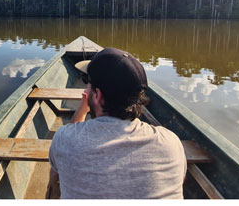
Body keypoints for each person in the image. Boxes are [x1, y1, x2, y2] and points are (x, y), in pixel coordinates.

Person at [47, 47, 186, 199]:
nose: (86, 89)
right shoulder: (170, 142)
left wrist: (81, 111)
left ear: (98, 95)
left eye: (87, 83)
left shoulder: (64, 139)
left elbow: (57, 172)